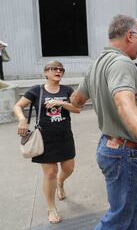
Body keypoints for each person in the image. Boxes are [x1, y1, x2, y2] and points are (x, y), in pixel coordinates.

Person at [70, 15, 137, 230]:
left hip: (110, 147)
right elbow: (123, 101)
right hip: (124, 153)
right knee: (118, 217)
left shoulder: (96, 64)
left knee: (133, 208)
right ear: (130, 35)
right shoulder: (121, 62)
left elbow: (76, 101)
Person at [13, 61, 80, 224]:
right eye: (54, 69)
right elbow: (18, 106)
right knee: (50, 173)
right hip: (45, 139)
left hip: (64, 137)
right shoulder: (37, 90)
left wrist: (62, 103)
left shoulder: (67, 90)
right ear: (46, 73)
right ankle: (51, 208)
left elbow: (77, 108)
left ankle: (60, 183)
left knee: (69, 168)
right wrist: (22, 120)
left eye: (61, 69)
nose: (58, 71)